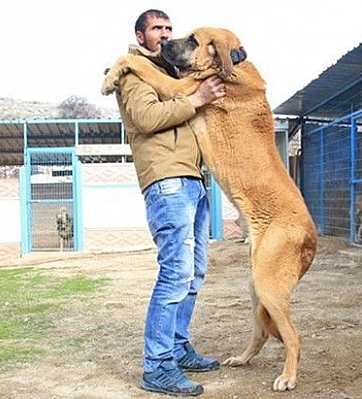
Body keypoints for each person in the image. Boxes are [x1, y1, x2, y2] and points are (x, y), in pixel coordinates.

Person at [111, 8, 226, 397]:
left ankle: (177, 348)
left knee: (194, 273)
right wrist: (196, 99)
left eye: (168, 28)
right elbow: (145, 117)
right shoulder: (133, 73)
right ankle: (157, 366)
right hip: (166, 180)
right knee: (175, 273)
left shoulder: (173, 72)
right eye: (156, 29)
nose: (164, 34)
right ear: (140, 37)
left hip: (192, 179)